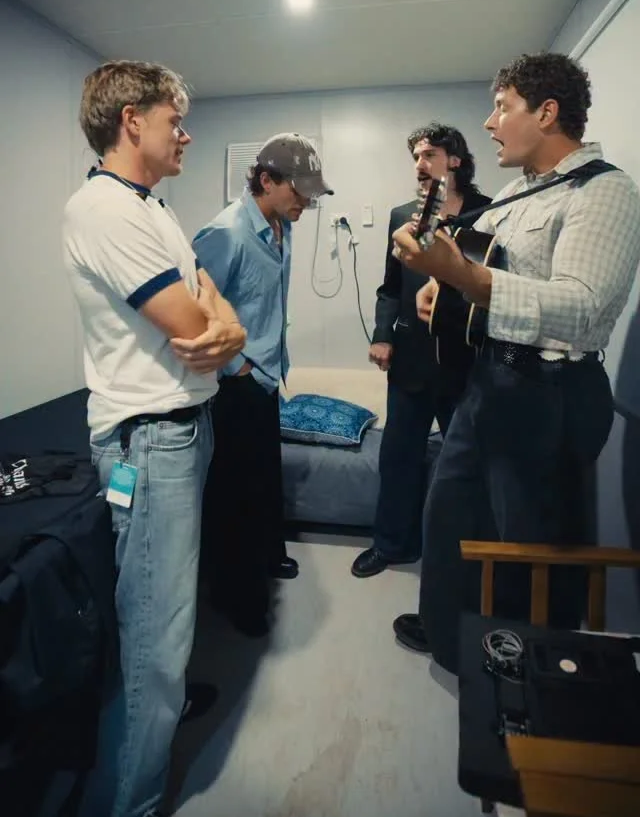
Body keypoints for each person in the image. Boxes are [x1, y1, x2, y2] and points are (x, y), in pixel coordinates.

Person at [389, 52, 640, 674]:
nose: (490, 122)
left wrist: (463, 277)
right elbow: (479, 263)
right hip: (489, 380)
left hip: (549, 391)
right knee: (452, 517)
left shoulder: (605, 192)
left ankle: (527, 679)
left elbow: (580, 308)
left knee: (527, 548)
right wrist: (440, 287)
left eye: (502, 107)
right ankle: (454, 640)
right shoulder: (514, 193)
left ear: (547, 112)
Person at [63, 61, 246, 817]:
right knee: (154, 638)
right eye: (176, 120)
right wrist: (223, 330)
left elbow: (215, 306)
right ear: (132, 120)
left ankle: (154, 712)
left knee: (160, 620)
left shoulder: (154, 207)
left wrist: (228, 328)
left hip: (181, 432)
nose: (186, 135)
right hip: (150, 440)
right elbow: (196, 326)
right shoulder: (104, 210)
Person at [190, 133, 333, 637]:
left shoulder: (282, 226)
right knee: (236, 496)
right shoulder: (225, 233)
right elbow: (195, 310)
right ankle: (237, 598)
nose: (306, 203)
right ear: (267, 180)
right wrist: (238, 369)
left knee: (265, 480)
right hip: (237, 383)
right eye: (299, 191)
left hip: (269, 373)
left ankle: (269, 556)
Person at [352, 124, 490, 578]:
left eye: (429, 154)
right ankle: (391, 545)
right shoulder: (402, 216)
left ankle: (462, 559)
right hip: (410, 361)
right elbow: (390, 287)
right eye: (415, 156)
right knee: (397, 458)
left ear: (455, 159)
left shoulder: (488, 213)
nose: (419, 163)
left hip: (465, 363)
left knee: (466, 466)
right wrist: (382, 334)